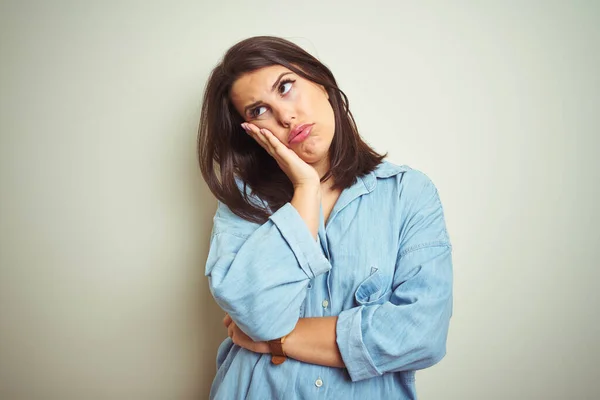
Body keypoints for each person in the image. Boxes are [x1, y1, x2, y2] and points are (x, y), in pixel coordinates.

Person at [197, 36, 453, 400]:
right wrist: (305, 188)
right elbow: (257, 316)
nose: (285, 116)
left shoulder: (407, 193)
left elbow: (421, 334)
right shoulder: (243, 202)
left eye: (286, 87)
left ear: (319, 81)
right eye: (259, 111)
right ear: (251, 134)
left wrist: (278, 341)